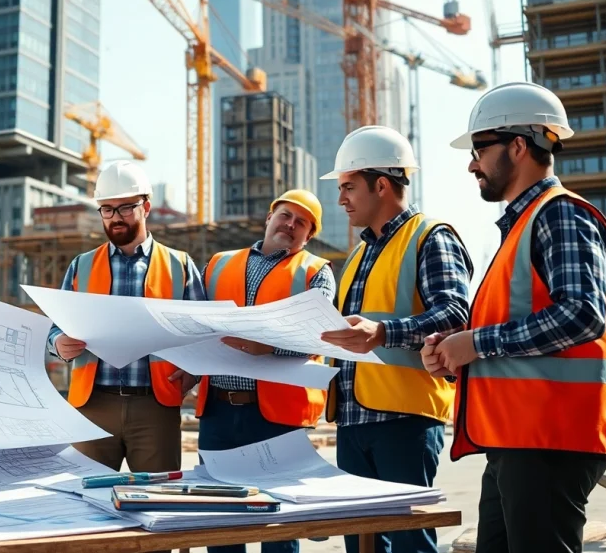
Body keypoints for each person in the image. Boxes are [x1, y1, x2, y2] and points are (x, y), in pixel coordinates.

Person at [422, 81, 606, 553]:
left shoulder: (560, 215)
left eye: (479, 148)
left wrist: (475, 343)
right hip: (519, 438)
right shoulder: (523, 225)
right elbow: (521, 332)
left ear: (519, 145)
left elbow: (581, 315)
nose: (471, 163)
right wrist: (458, 350)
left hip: (550, 438)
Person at [318, 125, 473, 553]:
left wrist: (383, 332)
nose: (341, 198)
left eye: (349, 186)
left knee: (409, 544)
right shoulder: (358, 255)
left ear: (381, 185)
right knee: (362, 543)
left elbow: (455, 313)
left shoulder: (430, 236)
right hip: (353, 421)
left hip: (403, 421)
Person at [195, 188, 335, 553]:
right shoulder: (218, 263)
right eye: (285, 215)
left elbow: (317, 336)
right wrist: (187, 367)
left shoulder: (316, 272)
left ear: (309, 235)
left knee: (278, 525)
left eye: (301, 222)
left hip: (278, 417)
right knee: (221, 522)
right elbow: (197, 326)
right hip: (218, 412)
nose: (290, 224)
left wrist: (270, 347)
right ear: (269, 218)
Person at [47, 160, 204, 476]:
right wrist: (58, 344)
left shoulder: (180, 266)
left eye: (125, 208)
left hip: (155, 407)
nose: (115, 218)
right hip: (91, 406)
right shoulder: (81, 266)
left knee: (159, 500)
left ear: (146, 207)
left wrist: (194, 373)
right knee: (83, 502)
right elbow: (54, 329)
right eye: (107, 209)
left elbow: (202, 333)